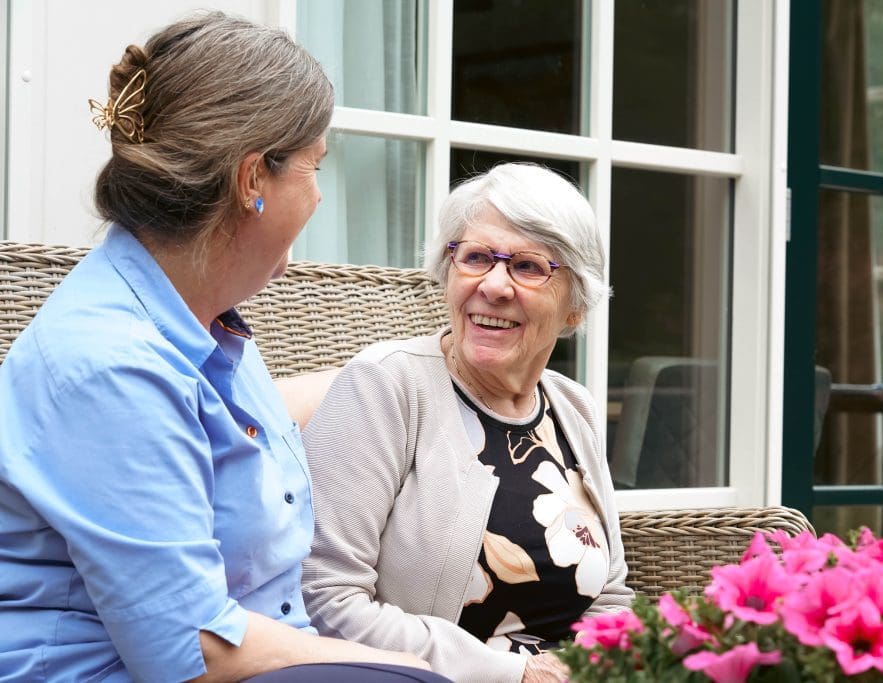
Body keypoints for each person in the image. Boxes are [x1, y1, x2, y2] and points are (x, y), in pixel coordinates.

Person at [0, 12, 449, 683]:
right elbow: (193, 649)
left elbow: (229, 426)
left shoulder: (195, 317)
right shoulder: (110, 363)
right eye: (314, 164)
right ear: (251, 180)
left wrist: (419, 372)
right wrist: (406, 664)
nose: (322, 193)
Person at [300, 162, 634, 683]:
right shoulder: (385, 387)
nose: (494, 286)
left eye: (527, 267)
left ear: (575, 307)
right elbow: (323, 596)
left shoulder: (574, 408)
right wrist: (515, 675)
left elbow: (611, 594)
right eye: (476, 258)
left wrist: (590, 668)